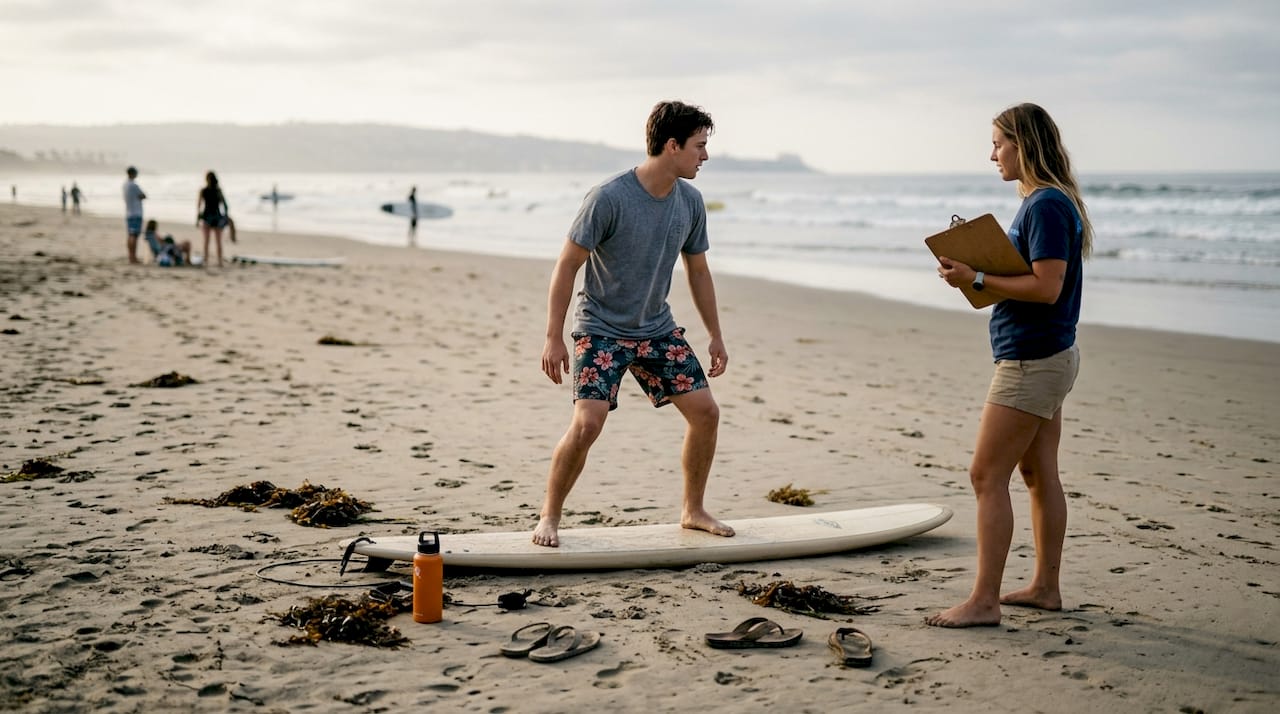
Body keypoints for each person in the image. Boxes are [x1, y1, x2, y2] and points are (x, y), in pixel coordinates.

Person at [532, 100, 734, 548]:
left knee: (707, 413)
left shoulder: (690, 202)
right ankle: (549, 516)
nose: (705, 156)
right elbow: (566, 266)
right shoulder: (609, 198)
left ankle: (693, 510)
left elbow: (698, 271)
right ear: (671, 145)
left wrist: (715, 334)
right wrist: (553, 337)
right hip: (601, 327)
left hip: (656, 328)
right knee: (588, 424)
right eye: (699, 146)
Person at [927, 102, 1092, 628]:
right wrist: (974, 276)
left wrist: (976, 279)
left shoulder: (1044, 205)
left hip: (1032, 360)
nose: (991, 153)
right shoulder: (1049, 202)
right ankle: (1045, 587)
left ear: (1024, 144)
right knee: (1039, 474)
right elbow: (1032, 283)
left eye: (998, 142)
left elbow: (1047, 288)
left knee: (985, 475)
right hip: (1050, 354)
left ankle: (983, 601)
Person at [197, 171, 231, 267]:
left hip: (207, 217)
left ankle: (206, 261)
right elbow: (225, 205)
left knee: (206, 241)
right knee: (218, 241)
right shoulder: (218, 190)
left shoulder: (203, 191)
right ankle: (220, 262)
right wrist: (225, 217)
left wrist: (197, 218)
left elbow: (199, 205)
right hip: (217, 217)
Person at [123, 166, 147, 264]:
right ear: (133, 173)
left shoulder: (125, 185)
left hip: (128, 212)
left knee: (130, 235)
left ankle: (130, 256)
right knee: (134, 236)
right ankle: (133, 257)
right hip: (136, 212)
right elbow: (143, 195)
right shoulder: (134, 185)